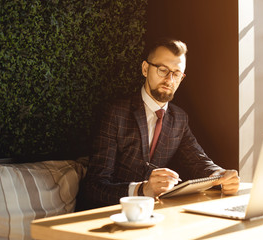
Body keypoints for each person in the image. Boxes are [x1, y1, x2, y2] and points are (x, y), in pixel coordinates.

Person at [81, 38, 240, 209]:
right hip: (108, 214)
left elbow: (198, 160)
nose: (170, 80)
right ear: (145, 69)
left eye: (177, 74)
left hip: (153, 215)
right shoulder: (114, 113)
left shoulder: (179, 118)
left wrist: (220, 175)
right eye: (163, 70)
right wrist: (143, 189)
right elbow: (94, 187)